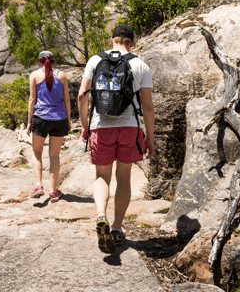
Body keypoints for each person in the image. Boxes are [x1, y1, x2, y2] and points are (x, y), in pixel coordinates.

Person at [77, 25, 155, 254]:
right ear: (133, 43)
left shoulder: (95, 61)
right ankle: (117, 228)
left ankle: (101, 215)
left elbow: (82, 96)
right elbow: (148, 107)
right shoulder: (140, 65)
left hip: (101, 127)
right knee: (124, 177)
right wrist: (149, 138)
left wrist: (85, 126)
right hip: (130, 127)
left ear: (111, 40)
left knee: (102, 176)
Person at [27, 51, 71, 203]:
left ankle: (38, 185)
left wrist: (29, 122)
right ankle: (53, 191)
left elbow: (32, 100)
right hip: (60, 118)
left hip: (41, 118)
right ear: (53, 61)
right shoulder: (62, 76)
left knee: (36, 152)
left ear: (39, 61)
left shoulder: (34, 75)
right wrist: (68, 120)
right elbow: (67, 100)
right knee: (54, 155)